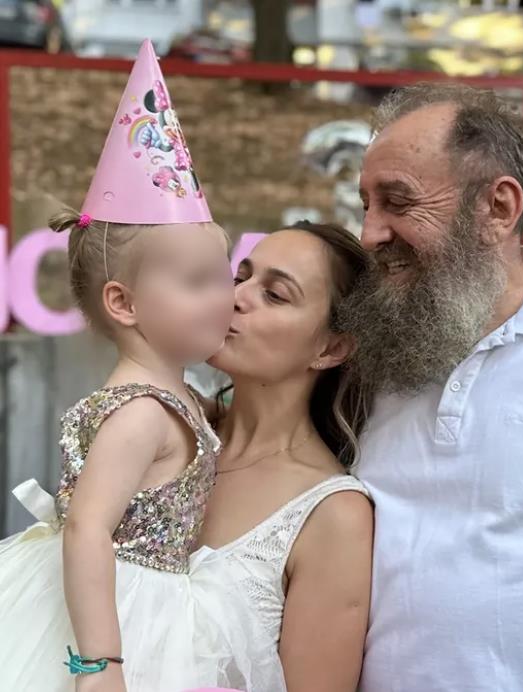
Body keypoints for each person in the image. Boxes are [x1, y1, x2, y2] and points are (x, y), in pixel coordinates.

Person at [0, 40, 235, 692]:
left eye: (224, 276)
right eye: (198, 282)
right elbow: (86, 528)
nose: (225, 296)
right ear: (124, 303)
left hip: (155, 604)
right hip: (122, 616)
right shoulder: (139, 414)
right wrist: (99, 663)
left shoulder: (176, 395)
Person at [356, 83, 523, 692]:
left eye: (398, 201)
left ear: (498, 208)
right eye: (365, 204)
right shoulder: (372, 343)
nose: (370, 233)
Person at [187, 221, 378, 692]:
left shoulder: (332, 515)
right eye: (240, 277)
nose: (234, 297)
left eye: (274, 295)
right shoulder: (165, 432)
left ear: (331, 348)